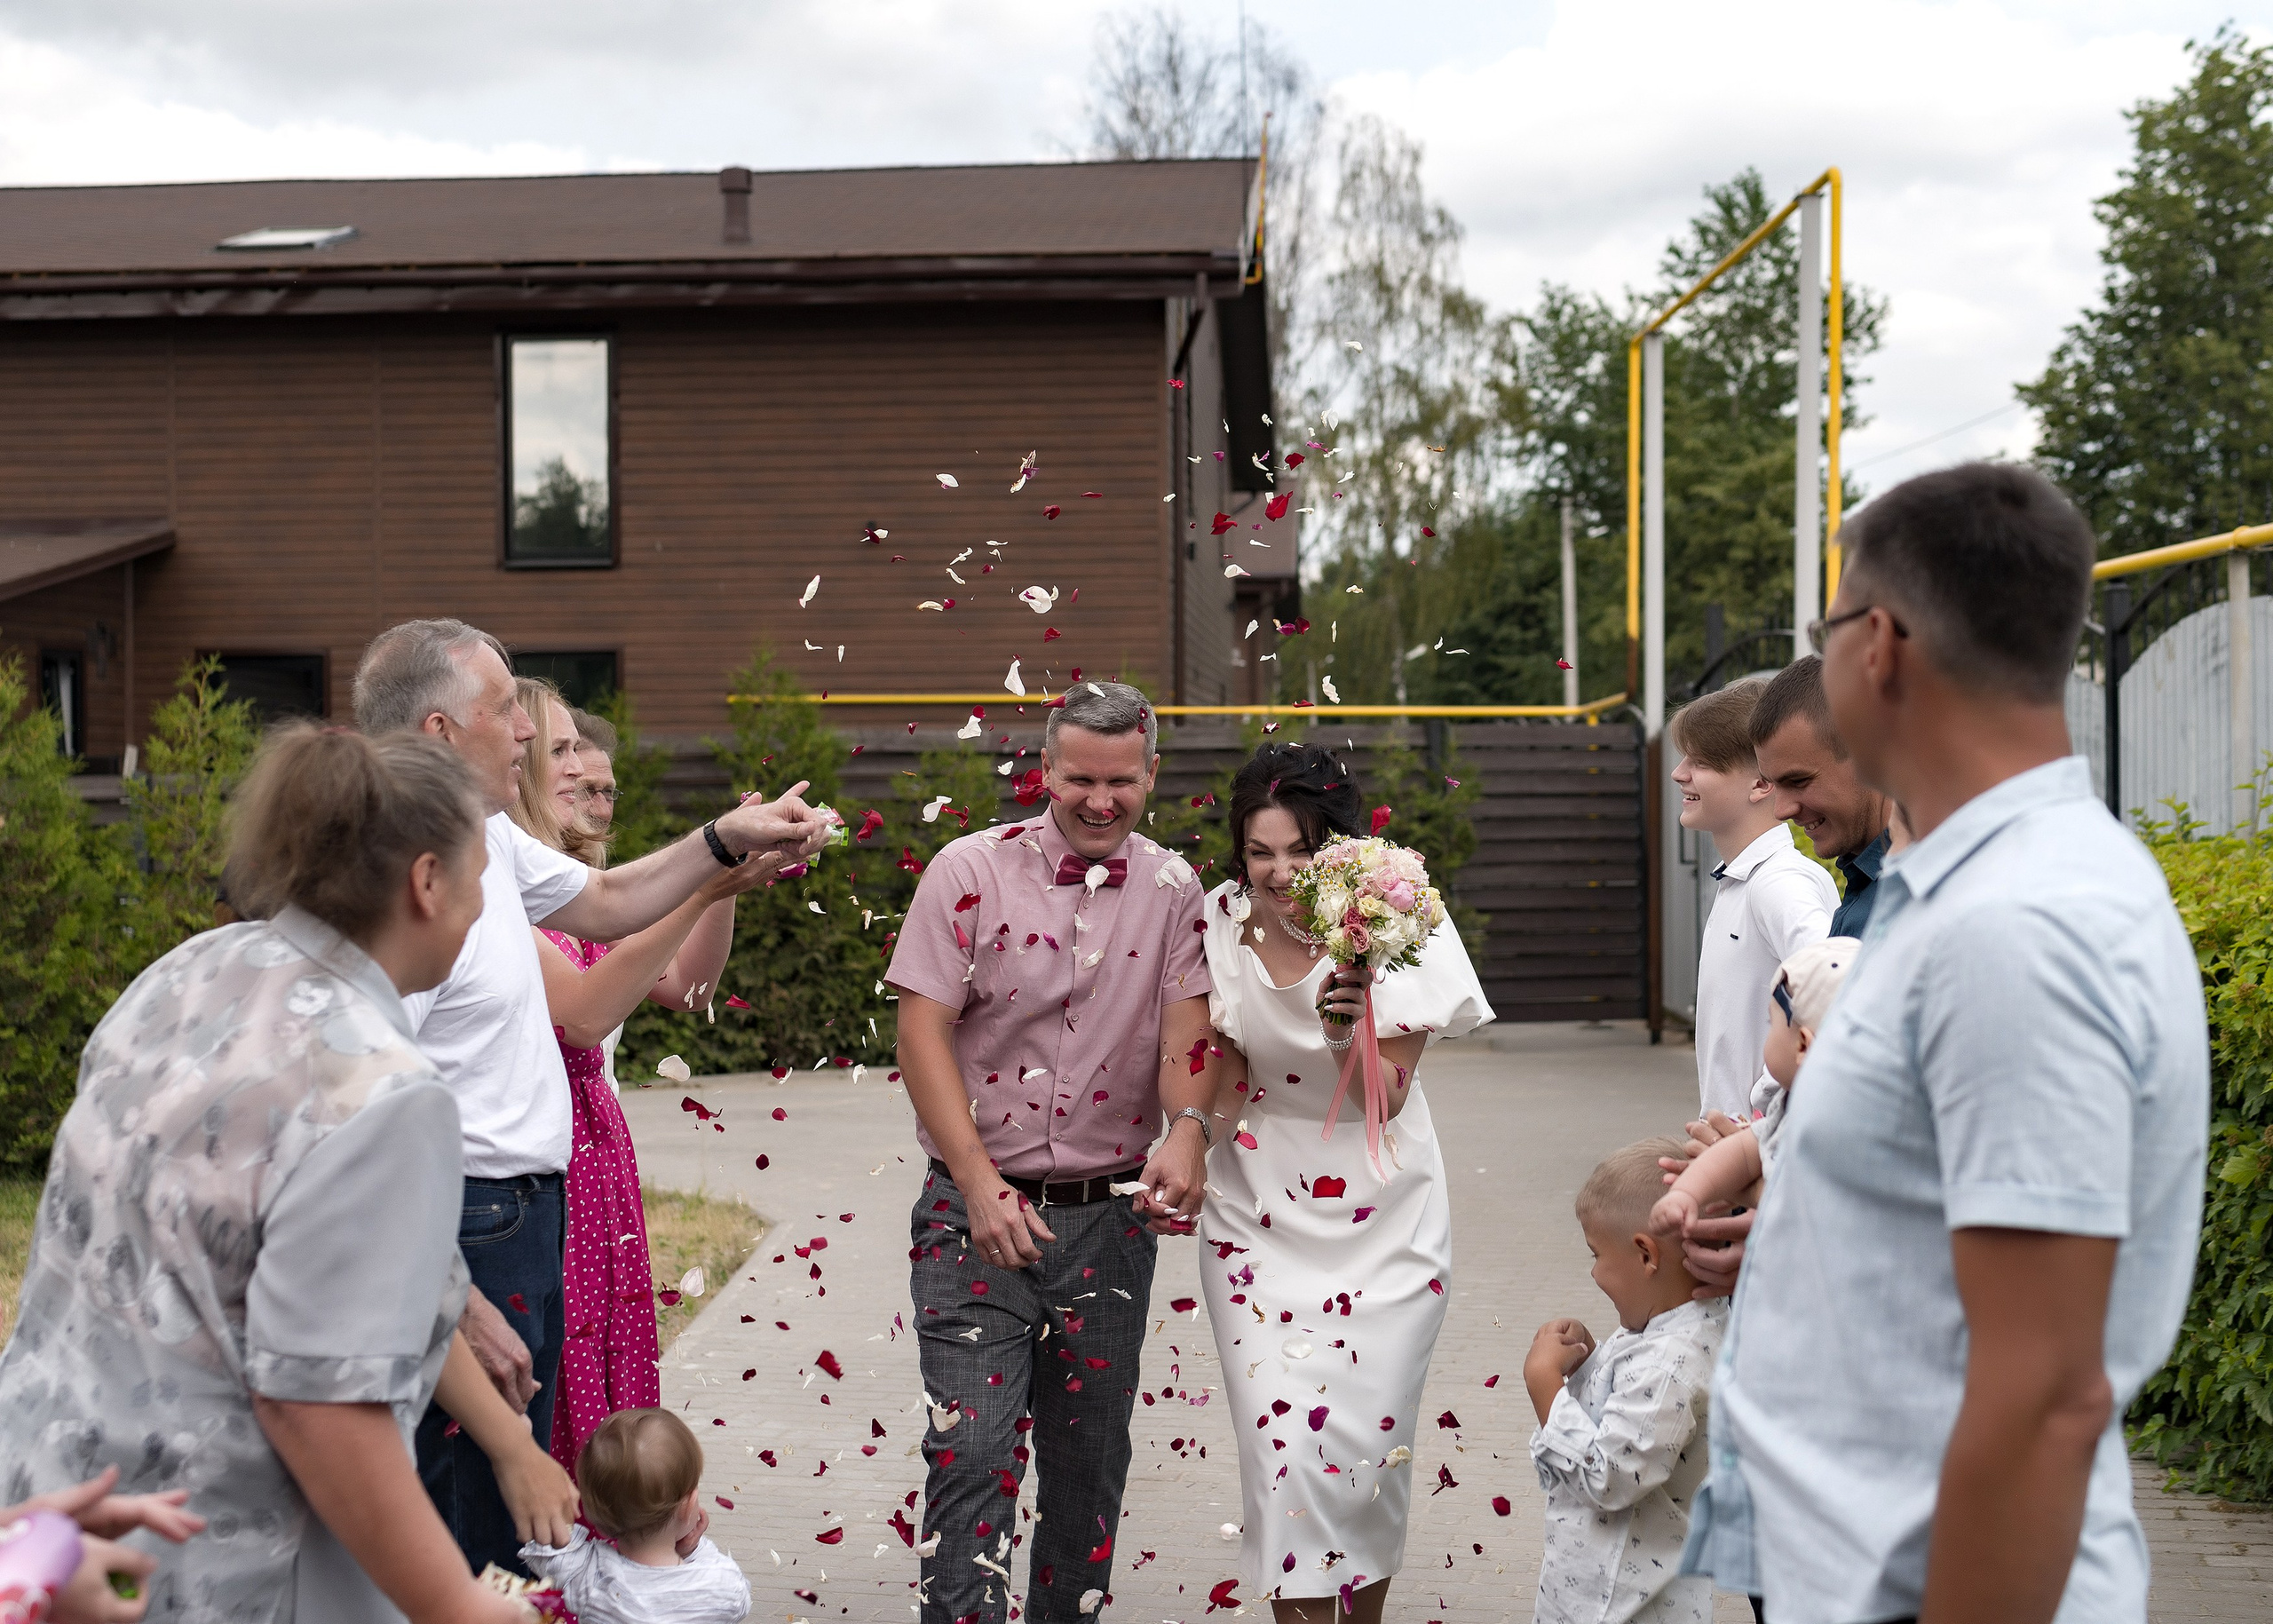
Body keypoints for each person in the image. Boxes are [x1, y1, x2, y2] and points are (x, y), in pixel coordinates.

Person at [1685, 462, 2211, 1623]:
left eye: (1823, 634)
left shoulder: (2016, 925)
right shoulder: (1971, 890)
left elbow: (2044, 1396)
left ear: (1877, 645)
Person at [0, 725, 576, 1622]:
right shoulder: (384, 1089)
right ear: (426, 882)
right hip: (205, 1555)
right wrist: (458, 1605)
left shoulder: (185, 972)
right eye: (480, 879)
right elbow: (320, 1401)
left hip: (48, 1517)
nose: (481, 908)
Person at [351, 618, 830, 1579]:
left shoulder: (485, 834)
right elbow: (364, 1110)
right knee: (476, 1499)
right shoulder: (401, 877)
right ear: (441, 730)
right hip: (465, 1213)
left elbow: (607, 901)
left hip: (530, 1203)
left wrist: (721, 843)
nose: (530, 734)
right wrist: (445, 1287)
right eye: (508, 713)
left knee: (517, 1489)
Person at [885, 680, 1215, 1624]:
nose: (1100, 800)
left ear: (1151, 773)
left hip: (1111, 1223)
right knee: (972, 1451)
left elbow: (1187, 1035)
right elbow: (921, 1033)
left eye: (1122, 781)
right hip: (971, 1214)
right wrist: (978, 1181)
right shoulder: (966, 869)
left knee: (1087, 1467)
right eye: (1080, 778)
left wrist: (1188, 1128)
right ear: (1044, 770)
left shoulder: (1174, 889)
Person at [1192, 741, 1492, 1623]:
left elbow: (1383, 1100)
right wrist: (1184, 1142)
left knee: (1363, 1465)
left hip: (1384, 1211)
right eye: (1259, 851)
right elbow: (1220, 1067)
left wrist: (1342, 1030)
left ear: (1337, 844)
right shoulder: (1216, 920)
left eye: (1299, 848)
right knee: (1285, 1457)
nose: (1279, 871)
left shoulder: (1396, 915)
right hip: (1256, 1214)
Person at [506, 677, 761, 1475]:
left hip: (595, 1145)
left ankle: (607, 1511)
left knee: (601, 1337)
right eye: (561, 754)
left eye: (600, 779)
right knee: (561, 1347)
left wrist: (719, 889)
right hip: (543, 1151)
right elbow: (583, 1017)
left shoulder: (579, 890)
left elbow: (690, 989)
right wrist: (705, 881)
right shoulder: (510, 887)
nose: (586, 782)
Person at [1525, 1139, 1724, 1624]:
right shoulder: (1662, 1327)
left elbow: (1608, 1476)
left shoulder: (1670, 1363)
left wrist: (1545, 1385)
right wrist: (1589, 1361)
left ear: (1645, 1254)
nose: (1593, 1272)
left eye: (1596, 1254)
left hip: (1620, 1604)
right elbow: (1627, 1411)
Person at [1667, 680, 1836, 1122]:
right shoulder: (1746, 880)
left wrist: (1763, 1111)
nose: (1679, 773)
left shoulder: (1779, 882)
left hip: (1758, 1143)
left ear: (1761, 783)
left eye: (1701, 762)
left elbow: (1832, 994)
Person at [1651, 938, 1859, 1242]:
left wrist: (1693, 1194)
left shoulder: (1839, 1125)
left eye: (1771, 1023)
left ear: (1803, 1045)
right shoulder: (1790, 1106)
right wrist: (1686, 1193)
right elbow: (1741, 1153)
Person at [520, 1410, 750, 1624]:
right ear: (689, 1506)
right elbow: (741, 1601)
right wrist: (694, 1551)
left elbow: (543, 1546)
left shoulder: (590, 1575)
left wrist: (520, 1443)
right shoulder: (722, 1585)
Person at [1749, 654, 1893, 938]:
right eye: (1773, 784)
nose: (1781, 811)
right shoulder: (1872, 885)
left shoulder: (1917, 899)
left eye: (1798, 781)